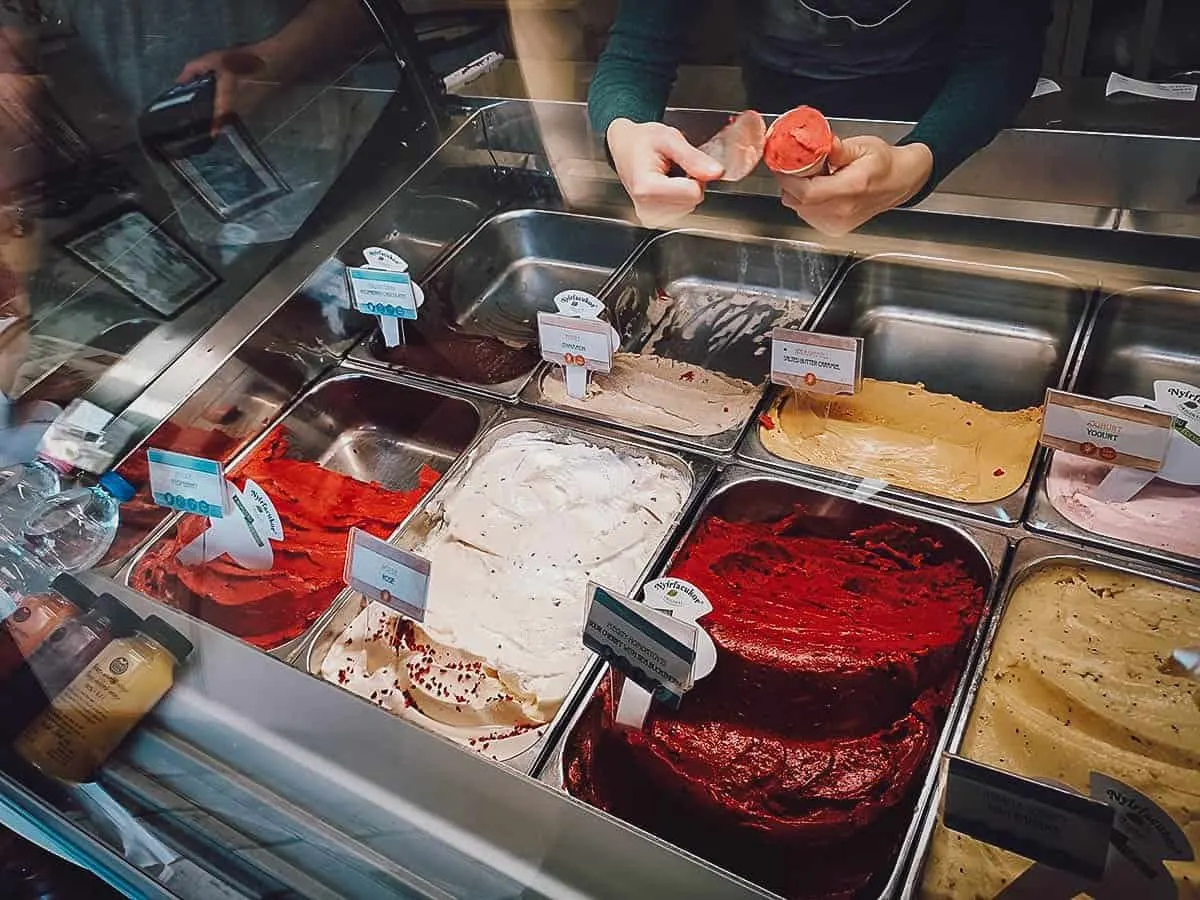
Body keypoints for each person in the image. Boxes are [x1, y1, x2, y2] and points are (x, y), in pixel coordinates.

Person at [590, 0, 1053, 234]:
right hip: (776, 150)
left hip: (944, 138)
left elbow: (1004, 53)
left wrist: (920, 161)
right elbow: (636, 54)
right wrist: (625, 128)